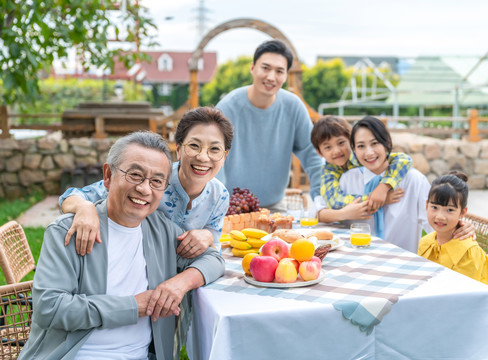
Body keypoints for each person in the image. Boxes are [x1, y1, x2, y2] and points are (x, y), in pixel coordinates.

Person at [18, 131, 225, 359]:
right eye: (135, 175)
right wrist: (135, 306)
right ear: (108, 175)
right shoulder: (69, 231)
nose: (145, 189)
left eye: (156, 181)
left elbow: (214, 260)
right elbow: (50, 309)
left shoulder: (161, 230)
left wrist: (180, 283)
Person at [59, 106, 233, 257]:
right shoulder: (152, 177)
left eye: (215, 149)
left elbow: (214, 242)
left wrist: (208, 235)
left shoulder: (220, 196)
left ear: (224, 157)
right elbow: (72, 196)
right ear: (179, 149)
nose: (203, 157)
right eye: (194, 146)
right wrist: (84, 208)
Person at [339, 116, 475, 253]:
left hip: (402, 262)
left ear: (387, 143)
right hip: (357, 259)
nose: (369, 152)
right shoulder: (347, 180)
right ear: (354, 151)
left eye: (375, 143)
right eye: (361, 146)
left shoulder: (413, 181)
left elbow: (435, 223)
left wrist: (461, 226)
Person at [216, 39, 323, 211]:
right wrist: (218, 204)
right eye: (265, 68)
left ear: (286, 76)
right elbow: (214, 158)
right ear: (252, 68)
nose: (271, 77)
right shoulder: (227, 108)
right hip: (230, 208)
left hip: (275, 207)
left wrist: (321, 202)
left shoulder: (294, 107)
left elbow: (313, 156)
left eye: (279, 71)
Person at [310, 115, 410, 223]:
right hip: (353, 224)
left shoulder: (364, 156)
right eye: (328, 147)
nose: (336, 151)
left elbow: (404, 159)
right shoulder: (328, 173)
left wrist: (383, 187)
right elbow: (334, 201)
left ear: (351, 141)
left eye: (341, 143)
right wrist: (375, 200)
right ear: (319, 152)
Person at [418, 172, 488, 292]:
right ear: (426, 205)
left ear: (462, 212)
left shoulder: (468, 252)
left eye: (450, 210)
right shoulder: (426, 243)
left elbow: (465, 296)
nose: (440, 216)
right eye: (434, 207)